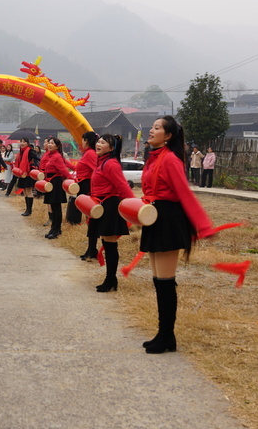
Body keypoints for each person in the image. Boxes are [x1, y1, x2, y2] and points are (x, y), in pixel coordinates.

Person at [139, 115, 213, 354]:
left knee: (165, 281)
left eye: (157, 128)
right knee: (158, 280)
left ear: (168, 136)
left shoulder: (170, 159)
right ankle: (165, 334)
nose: (151, 130)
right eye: (152, 127)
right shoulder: (154, 157)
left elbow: (184, 192)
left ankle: (166, 335)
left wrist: (203, 225)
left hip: (168, 220)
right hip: (154, 217)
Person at [90, 133, 134, 291]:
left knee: (110, 245)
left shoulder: (110, 164)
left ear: (111, 148)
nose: (98, 144)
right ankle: (110, 279)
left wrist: (135, 209)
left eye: (103, 142)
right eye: (98, 141)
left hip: (110, 206)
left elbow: (122, 186)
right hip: (101, 205)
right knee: (106, 243)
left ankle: (111, 280)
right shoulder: (101, 161)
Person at [71, 132, 100, 259]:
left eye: (82, 140)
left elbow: (97, 171)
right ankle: (91, 247)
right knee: (89, 218)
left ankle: (92, 248)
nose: (81, 142)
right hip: (83, 185)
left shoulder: (90, 154)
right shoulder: (87, 153)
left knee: (91, 218)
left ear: (86, 140)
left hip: (88, 186)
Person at [39, 136, 71, 239]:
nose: (49, 144)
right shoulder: (50, 155)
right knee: (53, 206)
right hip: (50, 182)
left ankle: (57, 229)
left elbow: (63, 170)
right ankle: (53, 228)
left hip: (56, 182)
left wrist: (72, 179)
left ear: (57, 146)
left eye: (52, 143)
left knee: (56, 208)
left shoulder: (57, 156)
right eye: (49, 143)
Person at [14, 137, 40, 216]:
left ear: (27, 143)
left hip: (28, 174)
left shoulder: (30, 151)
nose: (22, 143)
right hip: (22, 173)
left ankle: (29, 210)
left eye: (24, 142)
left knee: (29, 192)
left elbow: (38, 158)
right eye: (21, 141)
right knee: (25, 192)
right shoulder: (21, 152)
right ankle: (27, 209)